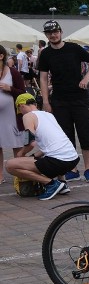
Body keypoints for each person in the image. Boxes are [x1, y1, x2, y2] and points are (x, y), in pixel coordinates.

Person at [37, 20, 89, 182]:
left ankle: (88, 169)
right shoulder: (45, 54)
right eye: (49, 33)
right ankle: (72, 169)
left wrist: (87, 77)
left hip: (80, 98)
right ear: (46, 35)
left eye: (55, 31)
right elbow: (43, 78)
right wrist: (45, 100)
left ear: (61, 32)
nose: (53, 35)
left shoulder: (74, 48)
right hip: (59, 100)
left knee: (86, 134)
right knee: (66, 136)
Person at [6, 93, 79, 200]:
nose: (21, 114)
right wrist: (35, 155)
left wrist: (21, 154)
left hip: (59, 162)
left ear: (21, 106)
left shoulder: (28, 116)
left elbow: (29, 141)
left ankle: (52, 184)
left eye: (20, 111)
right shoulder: (48, 115)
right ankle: (62, 183)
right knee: (49, 156)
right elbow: (52, 143)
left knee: (10, 165)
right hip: (73, 159)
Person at [0, 45, 28, 182]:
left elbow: (23, 93)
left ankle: (21, 174)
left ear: (1, 56)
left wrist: (9, 88)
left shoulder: (13, 72)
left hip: (12, 116)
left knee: (17, 145)